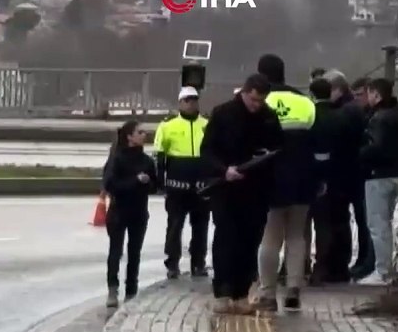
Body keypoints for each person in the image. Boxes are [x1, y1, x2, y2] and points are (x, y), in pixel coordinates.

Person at [201, 74, 283, 313]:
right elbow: (207, 150)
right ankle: (222, 292)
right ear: (245, 92)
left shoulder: (268, 117)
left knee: (250, 240)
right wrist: (223, 170)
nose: (256, 105)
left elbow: (279, 148)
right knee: (226, 238)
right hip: (226, 187)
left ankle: (240, 293)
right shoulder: (223, 113)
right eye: (253, 100)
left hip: (256, 188)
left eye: (261, 101)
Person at [254, 54, 319, 311]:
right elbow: (316, 144)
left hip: (270, 179)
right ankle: (294, 288)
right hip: (302, 178)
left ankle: (268, 293)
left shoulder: (260, 102)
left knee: (270, 237)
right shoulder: (305, 103)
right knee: (296, 235)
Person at [153, 86, 210, 279]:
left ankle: (199, 263)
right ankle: (172, 264)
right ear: (180, 102)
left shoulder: (207, 124)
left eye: (194, 100)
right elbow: (160, 155)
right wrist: (160, 181)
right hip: (177, 186)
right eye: (187, 100)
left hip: (202, 186)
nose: (191, 103)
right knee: (175, 226)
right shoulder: (168, 125)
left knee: (201, 227)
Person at [102, 121, 157, 308]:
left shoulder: (147, 161)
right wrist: (135, 181)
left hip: (139, 212)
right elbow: (110, 185)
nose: (144, 135)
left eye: (144, 132)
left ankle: (131, 290)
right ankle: (112, 289)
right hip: (118, 211)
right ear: (129, 137)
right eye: (140, 132)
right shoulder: (117, 159)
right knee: (115, 251)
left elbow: (155, 187)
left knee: (135, 252)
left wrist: (148, 182)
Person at [310, 73, 356, 284]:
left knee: (317, 224)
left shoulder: (310, 116)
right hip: (341, 176)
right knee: (338, 221)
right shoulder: (342, 117)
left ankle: (319, 267)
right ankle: (337, 266)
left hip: (314, 178)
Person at [358, 78, 398, 285]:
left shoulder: (377, 119)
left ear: (376, 94)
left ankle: (383, 271)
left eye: (368, 94)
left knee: (379, 224)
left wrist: (359, 153)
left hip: (380, 175)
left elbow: (376, 148)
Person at [346, 76, 376, 278]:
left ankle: (369, 262)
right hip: (361, 176)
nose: (357, 100)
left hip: (370, 175)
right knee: (362, 220)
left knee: (370, 222)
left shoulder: (373, 117)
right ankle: (364, 259)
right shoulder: (363, 115)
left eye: (359, 95)